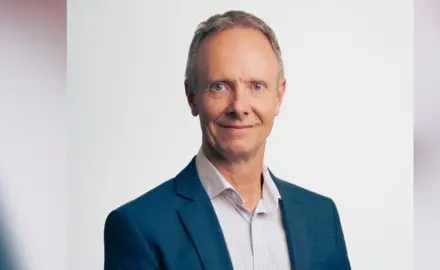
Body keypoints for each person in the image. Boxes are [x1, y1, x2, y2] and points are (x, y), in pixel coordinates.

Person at [103, 10, 351, 270]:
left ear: (278, 97)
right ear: (191, 96)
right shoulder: (139, 226)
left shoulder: (321, 217)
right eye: (220, 86)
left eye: (256, 86)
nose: (239, 106)